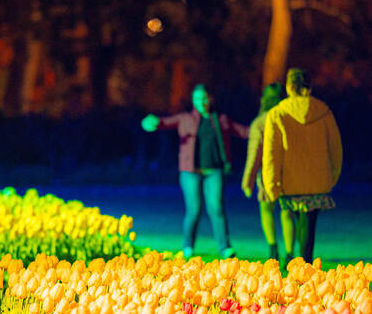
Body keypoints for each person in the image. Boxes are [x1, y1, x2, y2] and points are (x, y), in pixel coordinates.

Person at [141, 84, 249, 258]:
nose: (202, 102)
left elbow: (244, 131)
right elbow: (164, 123)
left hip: (214, 171)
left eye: (205, 98)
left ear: (210, 99)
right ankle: (188, 246)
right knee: (194, 209)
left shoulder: (220, 119)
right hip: (190, 172)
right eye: (198, 98)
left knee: (217, 209)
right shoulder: (185, 119)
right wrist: (153, 122)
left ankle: (225, 248)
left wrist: (264, 128)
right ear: (193, 100)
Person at [262, 68, 343, 268]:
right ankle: (305, 264)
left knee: (299, 223)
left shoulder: (277, 114)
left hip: (290, 181)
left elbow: (271, 154)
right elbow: (335, 148)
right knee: (309, 225)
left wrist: (271, 183)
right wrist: (332, 176)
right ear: (310, 86)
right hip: (317, 180)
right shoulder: (323, 111)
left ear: (289, 87)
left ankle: (302, 266)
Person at [241, 82, 284, 261]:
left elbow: (254, 154)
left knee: (266, 209)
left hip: (267, 172)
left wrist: (248, 180)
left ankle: (273, 247)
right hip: (288, 172)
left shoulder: (260, 122)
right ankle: (290, 251)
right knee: (287, 211)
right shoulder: (289, 118)